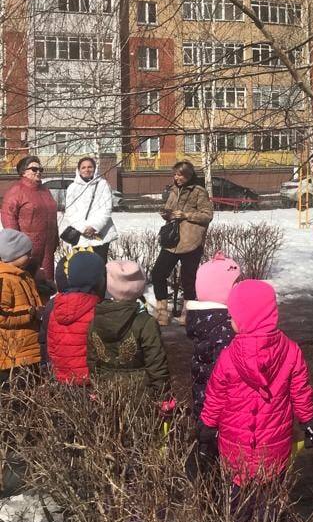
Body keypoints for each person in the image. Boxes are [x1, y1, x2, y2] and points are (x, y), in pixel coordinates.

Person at [199, 279, 313, 480]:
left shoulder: (228, 357)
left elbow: (216, 397)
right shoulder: (291, 350)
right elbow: (301, 392)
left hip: (235, 447)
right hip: (274, 447)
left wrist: (207, 426)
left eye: (233, 316)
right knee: (270, 501)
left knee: (238, 503)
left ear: (246, 318)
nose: (230, 321)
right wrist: (309, 420)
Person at [88, 260, 171, 397]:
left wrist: (95, 385)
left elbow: (92, 359)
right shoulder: (146, 323)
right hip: (140, 393)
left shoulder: (96, 320)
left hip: (106, 390)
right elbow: (156, 362)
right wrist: (163, 394)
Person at [151, 161, 213, 327]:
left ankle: (188, 315)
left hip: (191, 241)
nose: (176, 178)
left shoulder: (199, 191)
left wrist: (185, 215)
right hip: (172, 241)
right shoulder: (173, 190)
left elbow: (207, 215)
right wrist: (167, 214)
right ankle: (162, 313)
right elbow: (169, 209)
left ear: (188, 175)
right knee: (157, 273)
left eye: (179, 174)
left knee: (188, 280)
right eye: (175, 174)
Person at [185, 252, 240, 420]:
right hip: (221, 412)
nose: (240, 286)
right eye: (236, 283)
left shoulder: (201, 320)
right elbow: (229, 378)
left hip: (203, 402)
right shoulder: (225, 329)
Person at [47, 250, 105, 384]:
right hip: (89, 380)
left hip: (62, 378)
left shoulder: (55, 308)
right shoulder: (96, 310)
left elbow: (51, 347)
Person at [1, 156, 58, 282]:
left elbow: (52, 215)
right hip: (27, 250)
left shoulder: (45, 190)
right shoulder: (15, 192)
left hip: (47, 248)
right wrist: (17, 249)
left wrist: (55, 238)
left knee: (45, 283)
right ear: (23, 172)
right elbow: (9, 221)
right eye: (34, 169)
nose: (38, 172)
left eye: (40, 169)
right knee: (27, 282)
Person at [0, 229, 42, 382]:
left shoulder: (22, 275)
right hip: (12, 354)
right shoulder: (4, 279)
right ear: (13, 255)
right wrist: (31, 313)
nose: (30, 257)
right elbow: (2, 315)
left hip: (27, 348)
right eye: (27, 254)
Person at [60, 157, 117, 262]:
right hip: (80, 236)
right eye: (83, 167)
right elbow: (70, 212)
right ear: (79, 170)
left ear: (95, 169)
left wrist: (94, 227)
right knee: (82, 268)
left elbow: (106, 209)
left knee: (99, 268)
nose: (87, 170)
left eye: (90, 167)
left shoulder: (103, 185)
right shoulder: (72, 187)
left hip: (100, 236)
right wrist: (83, 229)